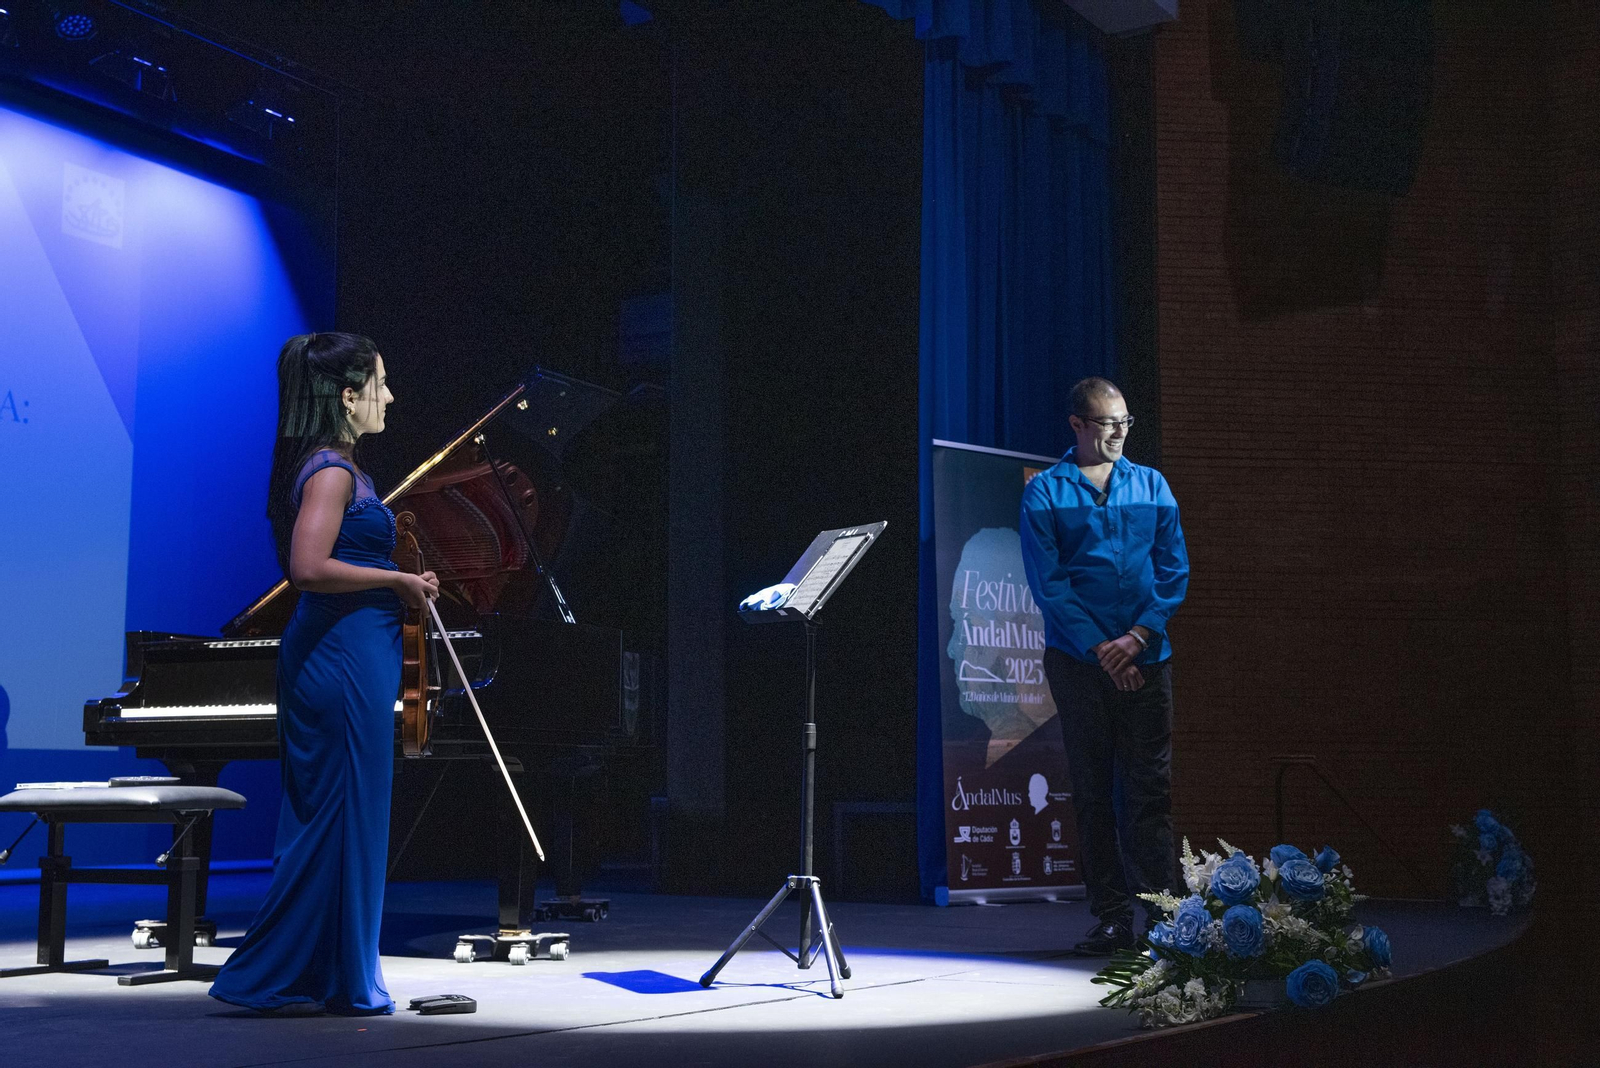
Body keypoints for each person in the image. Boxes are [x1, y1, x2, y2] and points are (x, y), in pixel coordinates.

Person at [210, 332, 438, 1015]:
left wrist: (398, 580)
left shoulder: (348, 469)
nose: (391, 396)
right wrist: (396, 578)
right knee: (336, 814)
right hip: (336, 660)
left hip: (355, 656)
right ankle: (279, 973)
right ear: (347, 395)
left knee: (351, 816)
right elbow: (306, 570)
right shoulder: (332, 470)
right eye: (381, 384)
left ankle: (337, 973)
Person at [1019, 376, 1189, 956]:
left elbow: (1174, 571)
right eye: (1107, 423)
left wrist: (1138, 637)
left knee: (1150, 793)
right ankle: (1113, 917)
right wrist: (1102, 648)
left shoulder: (1152, 485)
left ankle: (1164, 918)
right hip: (1079, 663)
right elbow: (1051, 585)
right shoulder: (1045, 492)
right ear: (1077, 425)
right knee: (1092, 793)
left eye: (1125, 422)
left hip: (1147, 659)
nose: (1118, 433)